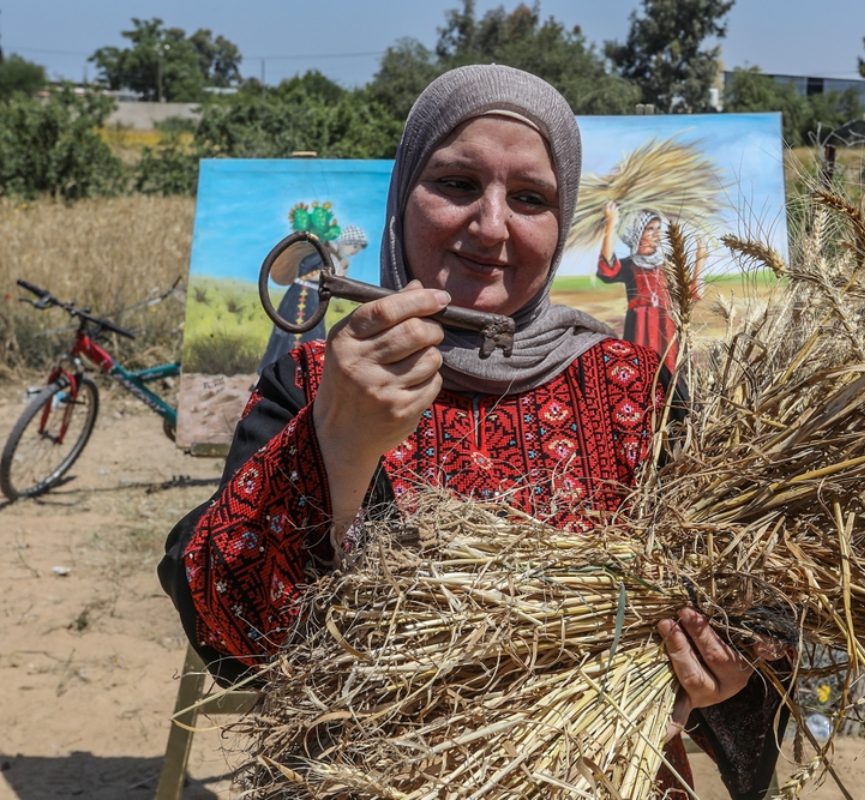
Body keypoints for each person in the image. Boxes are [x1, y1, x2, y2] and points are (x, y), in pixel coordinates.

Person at [159, 64, 783, 799]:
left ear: (562, 218)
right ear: (402, 199)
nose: (491, 225)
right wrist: (338, 442)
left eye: (530, 198)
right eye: (457, 184)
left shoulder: (634, 390)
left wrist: (731, 670)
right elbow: (228, 626)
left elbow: (755, 601)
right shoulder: (311, 384)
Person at [597, 201, 704, 371]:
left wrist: (700, 260)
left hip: (667, 327)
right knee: (639, 370)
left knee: (671, 372)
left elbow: (689, 293)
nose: (657, 234)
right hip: (639, 326)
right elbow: (607, 269)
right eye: (650, 229)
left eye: (658, 228)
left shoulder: (668, 262)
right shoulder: (629, 264)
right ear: (637, 232)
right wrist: (610, 224)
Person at [257, 224, 368, 374]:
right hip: (303, 297)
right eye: (354, 248)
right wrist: (339, 273)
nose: (354, 252)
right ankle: (286, 373)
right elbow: (315, 275)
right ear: (348, 243)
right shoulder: (324, 254)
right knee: (300, 335)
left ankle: (298, 374)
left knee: (309, 335)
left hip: (309, 297)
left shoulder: (331, 256)